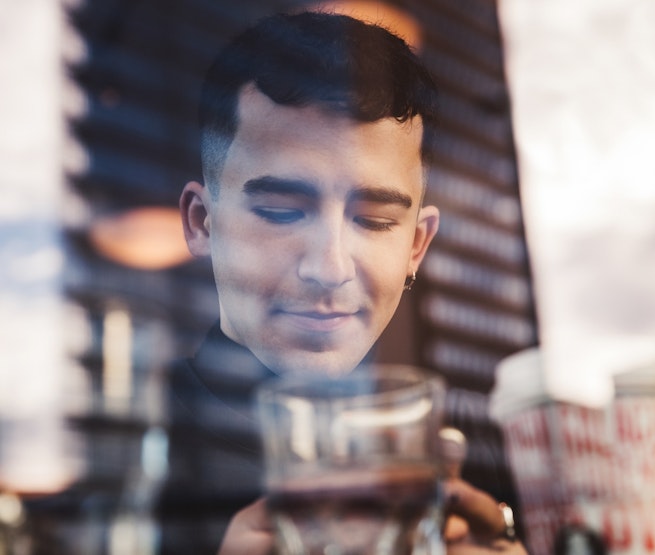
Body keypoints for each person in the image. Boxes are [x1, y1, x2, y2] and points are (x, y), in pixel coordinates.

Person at [161, 10, 528, 555]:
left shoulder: (493, 449)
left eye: (375, 221)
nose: (329, 267)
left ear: (416, 246)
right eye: (282, 212)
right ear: (201, 223)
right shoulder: (124, 452)